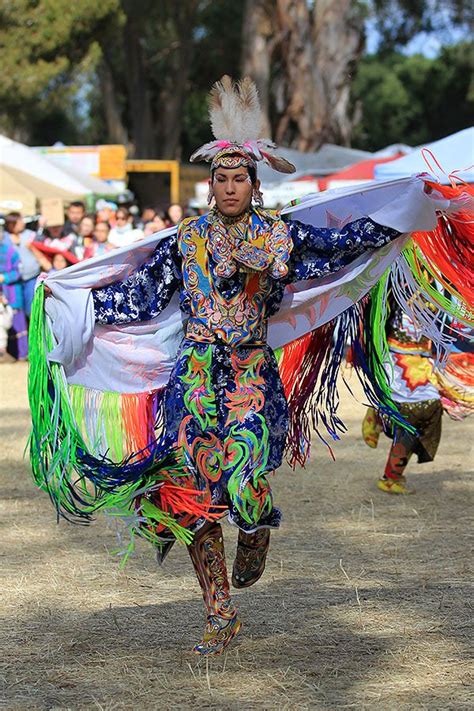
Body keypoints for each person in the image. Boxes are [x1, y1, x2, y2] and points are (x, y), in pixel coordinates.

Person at [32, 77, 472, 657]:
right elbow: (140, 295)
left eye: (241, 177)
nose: (231, 185)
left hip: (247, 376)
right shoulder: (184, 239)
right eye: (222, 177)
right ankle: (219, 613)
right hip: (192, 379)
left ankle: (259, 527)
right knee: (192, 492)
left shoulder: (278, 234)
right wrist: (68, 298)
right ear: (210, 184)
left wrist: (406, 209)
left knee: (243, 486)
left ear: (254, 182)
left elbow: (337, 244)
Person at [362, 303, 442, 495]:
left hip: (422, 360)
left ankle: (379, 415)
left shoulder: (439, 281)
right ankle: (391, 478)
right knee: (414, 415)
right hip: (397, 358)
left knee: (430, 408)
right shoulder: (395, 278)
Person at [3, 212, 41, 318]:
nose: (22, 223)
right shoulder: (4, 238)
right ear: (11, 223)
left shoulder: (30, 235)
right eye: (19, 221)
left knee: (32, 309)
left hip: (31, 277)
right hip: (13, 281)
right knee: (16, 311)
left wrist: (41, 226)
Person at [0, 228, 28, 360]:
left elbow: (19, 271)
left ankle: (21, 354)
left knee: (17, 322)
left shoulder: (11, 252)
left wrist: (5, 277)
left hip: (11, 292)